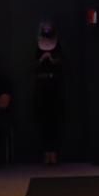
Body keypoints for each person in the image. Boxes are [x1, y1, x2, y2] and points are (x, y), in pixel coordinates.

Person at [33, 21, 64, 165]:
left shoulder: (58, 45)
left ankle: (55, 153)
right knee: (43, 121)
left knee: (55, 120)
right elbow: (32, 65)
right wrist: (41, 60)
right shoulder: (37, 46)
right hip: (41, 86)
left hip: (55, 86)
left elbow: (63, 63)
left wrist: (52, 59)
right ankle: (46, 153)